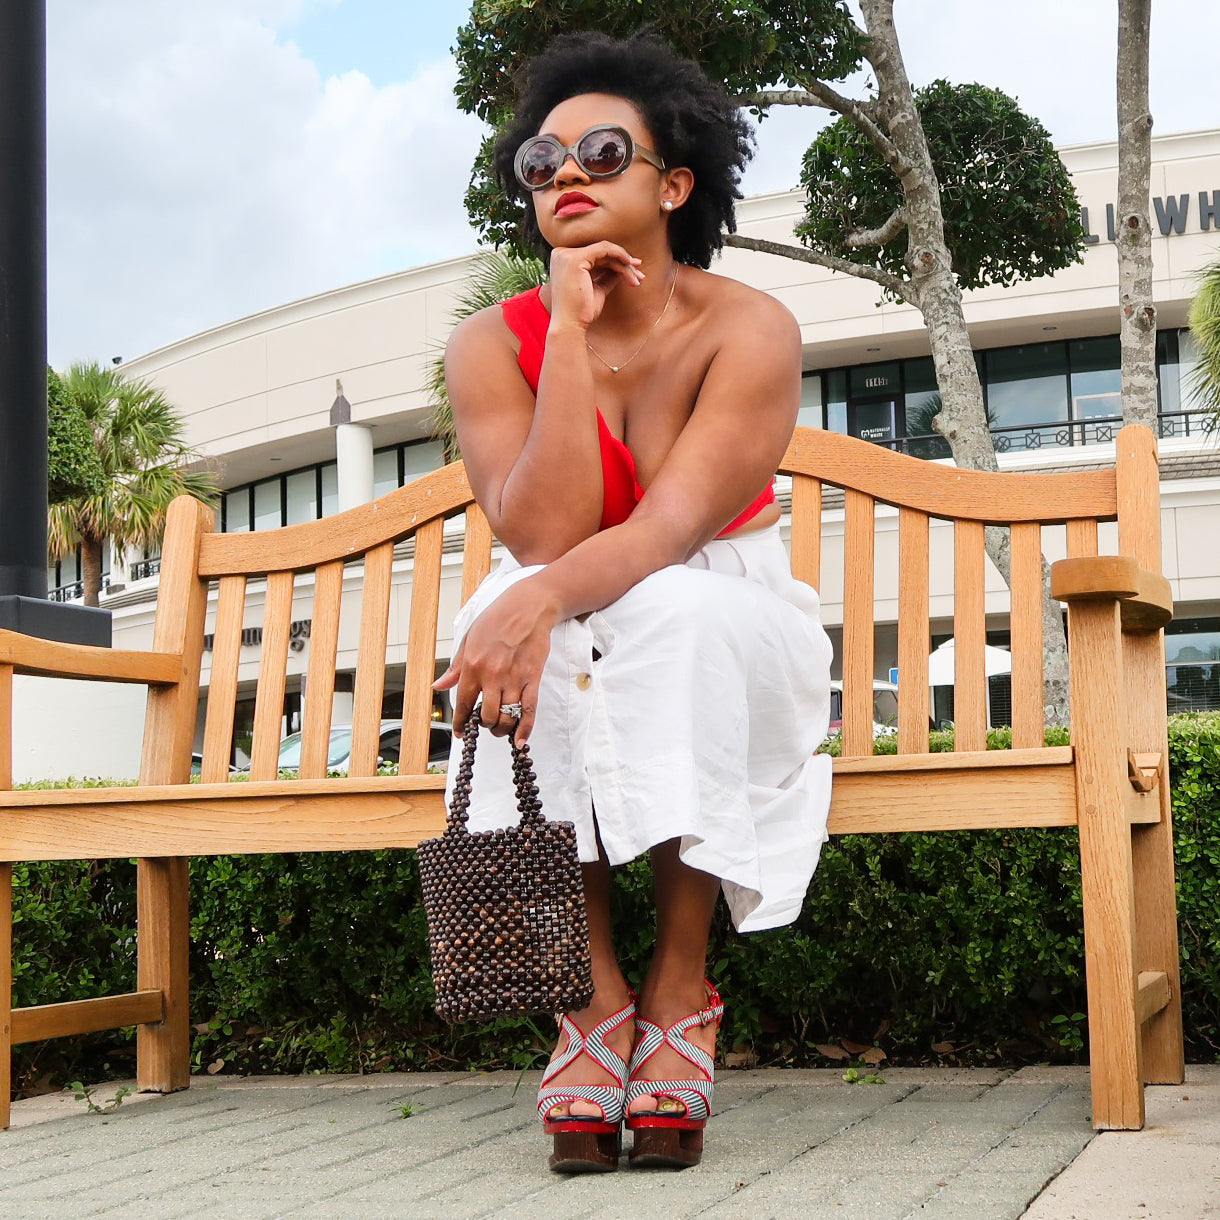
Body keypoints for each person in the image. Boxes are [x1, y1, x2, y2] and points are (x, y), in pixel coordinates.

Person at [435, 30, 833, 1174]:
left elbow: (666, 533)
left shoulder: (745, 326)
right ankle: (592, 997)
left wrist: (534, 602)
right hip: (570, 593)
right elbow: (544, 533)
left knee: (659, 616)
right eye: (540, 160)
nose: (565, 171)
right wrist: (564, 331)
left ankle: (677, 984)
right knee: (551, 629)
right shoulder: (490, 345)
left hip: (722, 600)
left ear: (671, 183)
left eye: (602, 152)